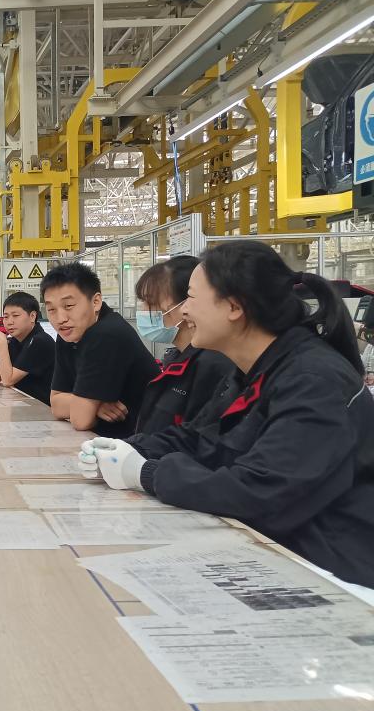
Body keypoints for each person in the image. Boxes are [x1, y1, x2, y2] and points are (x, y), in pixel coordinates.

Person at [80, 240, 374, 588]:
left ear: (234, 306)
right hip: (276, 549)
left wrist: (146, 474)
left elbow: (259, 491)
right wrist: (128, 448)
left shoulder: (314, 382)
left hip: (335, 574)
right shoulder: (254, 372)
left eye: (191, 297)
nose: (185, 311)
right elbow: (201, 438)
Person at [41, 262, 158, 436]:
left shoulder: (106, 334)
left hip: (138, 441)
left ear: (96, 302)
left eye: (69, 306)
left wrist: (84, 407)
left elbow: (81, 420)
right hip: (105, 437)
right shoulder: (68, 334)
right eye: (51, 309)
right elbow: (56, 404)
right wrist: (93, 406)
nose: (60, 319)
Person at [132, 256, 234, 434]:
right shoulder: (176, 360)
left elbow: (195, 438)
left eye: (151, 302)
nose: (143, 310)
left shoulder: (212, 366)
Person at [0, 291, 55, 405]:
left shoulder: (39, 341)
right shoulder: (16, 341)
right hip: (26, 403)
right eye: (6, 317)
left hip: (44, 408)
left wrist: (2, 344)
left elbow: (8, 380)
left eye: (15, 316)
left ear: (32, 316)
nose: (9, 322)